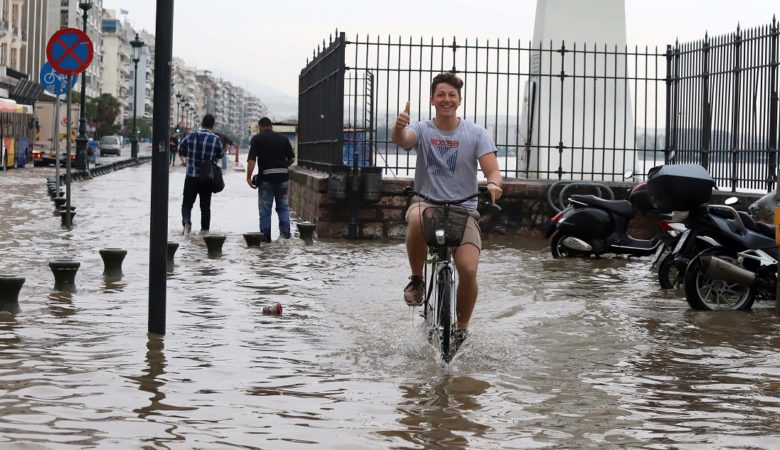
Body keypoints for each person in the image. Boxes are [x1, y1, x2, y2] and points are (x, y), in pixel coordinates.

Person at [391, 72, 503, 343]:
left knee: (467, 269)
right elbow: (403, 140)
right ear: (432, 99)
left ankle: (461, 328)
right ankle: (417, 280)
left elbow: (492, 169)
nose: (446, 99)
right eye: (441, 94)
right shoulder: (422, 128)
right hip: (426, 201)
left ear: (459, 100)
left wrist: (494, 184)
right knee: (417, 218)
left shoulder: (476, 133)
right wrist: (398, 127)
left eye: (452, 95)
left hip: (464, 209)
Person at [246, 117, 295, 242]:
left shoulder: (257, 139)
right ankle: (285, 237)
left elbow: (252, 160)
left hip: (266, 180)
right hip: (283, 179)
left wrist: (248, 177)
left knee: (265, 211)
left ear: (260, 127)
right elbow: (292, 158)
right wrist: (283, 166)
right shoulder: (283, 138)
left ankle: (265, 239)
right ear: (271, 126)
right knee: (283, 208)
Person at [178, 114, 224, 235]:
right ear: (213, 125)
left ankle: (186, 223)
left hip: (191, 176)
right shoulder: (216, 139)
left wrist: (188, 160)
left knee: (187, 204)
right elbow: (220, 156)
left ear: (202, 123)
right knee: (205, 207)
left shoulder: (191, 136)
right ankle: (204, 232)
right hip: (206, 178)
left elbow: (181, 150)